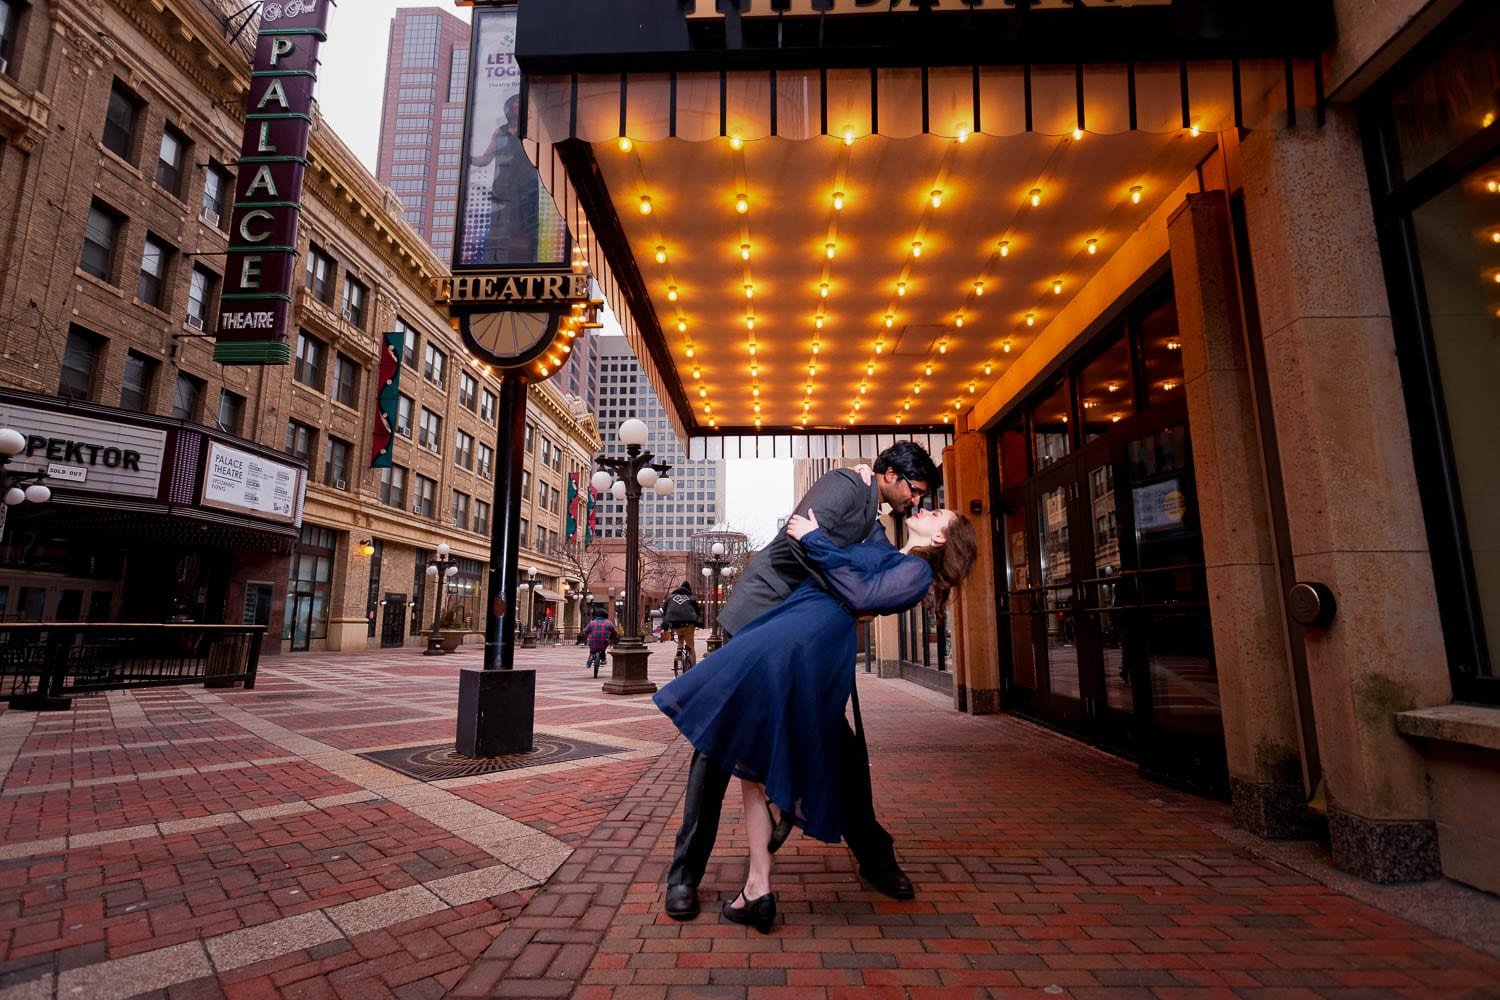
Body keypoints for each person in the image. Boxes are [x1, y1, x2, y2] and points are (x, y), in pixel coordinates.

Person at [654, 505, 979, 932]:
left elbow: (859, 594)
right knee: (749, 763)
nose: (925, 506)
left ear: (941, 540)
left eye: (937, 512)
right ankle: (758, 886)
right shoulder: (889, 553)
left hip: (805, 644)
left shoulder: (915, 574)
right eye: (922, 498)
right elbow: (864, 551)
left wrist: (813, 538)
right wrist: (869, 495)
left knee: (751, 740)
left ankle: (781, 822)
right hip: (791, 628)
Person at [469, 93, 537, 265]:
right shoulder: (500, 131)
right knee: (498, 228)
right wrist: (466, 158)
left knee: (522, 228)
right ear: (509, 108)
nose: (517, 106)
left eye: (520, 104)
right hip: (502, 188)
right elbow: (485, 158)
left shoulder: (531, 129)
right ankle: (494, 262)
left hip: (526, 187)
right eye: (515, 103)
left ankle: (523, 263)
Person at [661, 581, 702, 668]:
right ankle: (693, 668)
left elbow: (665, 612)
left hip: (676, 624)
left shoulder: (670, 598)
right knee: (690, 646)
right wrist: (699, 623)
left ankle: (679, 651)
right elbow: (697, 612)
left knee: (680, 636)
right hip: (688, 624)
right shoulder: (691, 598)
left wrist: (665, 624)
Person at [582, 608, 617, 678]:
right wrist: (611, 638)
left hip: (592, 642)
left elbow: (585, 631)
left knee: (592, 648)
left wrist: (587, 634)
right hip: (604, 642)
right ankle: (603, 659)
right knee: (603, 648)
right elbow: (615, 632)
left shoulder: (592, 622)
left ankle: (591, 656)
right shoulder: (608, 623)